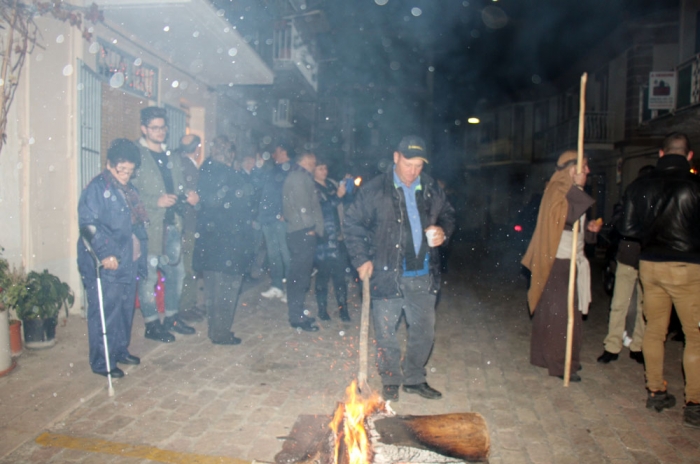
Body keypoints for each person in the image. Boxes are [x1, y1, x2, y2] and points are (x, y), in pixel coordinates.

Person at [344, 136, 455, 402]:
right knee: (386, 333)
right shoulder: (374, 189)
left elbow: (448, 215)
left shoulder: (430, 188)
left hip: (423, 275)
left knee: (424, 331)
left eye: (418, 165)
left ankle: (415, 378)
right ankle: (391, 378)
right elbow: (352, 224)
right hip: (385, 273)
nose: (413, 171)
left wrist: (443, 231)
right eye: (408, 164)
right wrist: (361, 259)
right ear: (396, 158)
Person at [619, 132, 700, 429]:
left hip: (651, 265)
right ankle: (694, 402)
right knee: (695, 335)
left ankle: (656, 391)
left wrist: (651, 236)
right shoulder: (695, 185)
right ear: (689, 155)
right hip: (689, 267)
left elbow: (627, 227)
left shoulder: (641, 185)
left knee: (654, 330)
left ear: (661, 154)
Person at [521, 150, 602, 382]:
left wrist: (590, 230)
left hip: (567, 259)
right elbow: (565, 217)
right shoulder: (558, 189)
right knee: (559, 315)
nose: (587, 171)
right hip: (556, 261)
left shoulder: (569, 190)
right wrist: (575, 189)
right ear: (571, 169)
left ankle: (545, 357)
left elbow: (572, 226)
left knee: (555, 311)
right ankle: (562, 364)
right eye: (584, 166)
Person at [77, 139, 147, 378]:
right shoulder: (98, 188)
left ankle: (119, 350)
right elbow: (88, 224)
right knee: (106, 311)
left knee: (125, 309)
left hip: (128, 259)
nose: (126, 175)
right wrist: (105, 253)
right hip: (105, 262)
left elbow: (136, 225)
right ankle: (102, 361)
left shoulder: (130, 190)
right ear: (109, 164)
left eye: (130, 170)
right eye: (121, 170)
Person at [131, 106, 197, 343]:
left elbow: (177, 187)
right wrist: (154, 201)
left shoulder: (171, 156)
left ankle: (171, 318)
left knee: (177, 274)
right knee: (148, 278)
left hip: (172, 226)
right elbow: (130, 194)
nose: (160, 132)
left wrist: (188, 193)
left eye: (162, 128)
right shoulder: (136, 155)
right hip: (149, 228)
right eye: (154, 128)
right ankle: (151, 324)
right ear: (144, 128)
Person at [193, 136, 254, 345]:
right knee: (226, 291)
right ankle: (220, 333)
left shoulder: (205, 171)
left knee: (213, 291)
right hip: (228, 242)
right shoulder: (228, 175)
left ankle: (215, 330)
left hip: (211, 242)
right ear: (231, 154)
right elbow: (239, 205)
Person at [597, 166, 654, 365]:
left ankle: (636, 346)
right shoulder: (630, 194)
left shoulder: (657, 197)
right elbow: (617, 222)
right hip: (630, 255)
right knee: (621, 303)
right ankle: (613, 346)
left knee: (640, 306)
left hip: (646, 256)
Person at [283, 151, 324, 332]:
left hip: (300, 232)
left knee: (300, 276)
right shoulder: (299, 177)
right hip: (302, 233)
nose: (315, 165)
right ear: (307, 160)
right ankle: (297, 317)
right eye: (314, 161)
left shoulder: (298, 175)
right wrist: (310, 228)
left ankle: (297, 313)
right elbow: (303, 205)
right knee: (299, 277)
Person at [312, 156, 350, 322]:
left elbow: (346, 201)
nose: (324, 171)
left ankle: (343, 310)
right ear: (313, 170)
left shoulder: (332, 184)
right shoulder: (312, 187)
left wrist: (347, 186)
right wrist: (338, 197)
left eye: (325, 168)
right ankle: (322, 310)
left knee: (340, 277)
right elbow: (321, 209)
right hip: (323, 239)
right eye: (320, 168)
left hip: (338, 237)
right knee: (323, 276)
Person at [258, 143, 293, 302]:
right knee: (273, 254)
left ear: (284, 151)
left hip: (280, 219)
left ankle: (292, 290)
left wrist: (285, 213)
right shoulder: (272, 170)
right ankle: (277, 286)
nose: (274, 155)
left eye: (277, 151)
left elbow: (291, 193)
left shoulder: (291, 169)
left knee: (286, 254)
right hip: (268, 217)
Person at [177, 134, 206, 322]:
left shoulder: (185, 165)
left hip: (190, 223)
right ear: (197, 149)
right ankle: (184, 307)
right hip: (188, 224)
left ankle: (190, 303)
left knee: (191, 266)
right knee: (188, 267)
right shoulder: (187, 166)